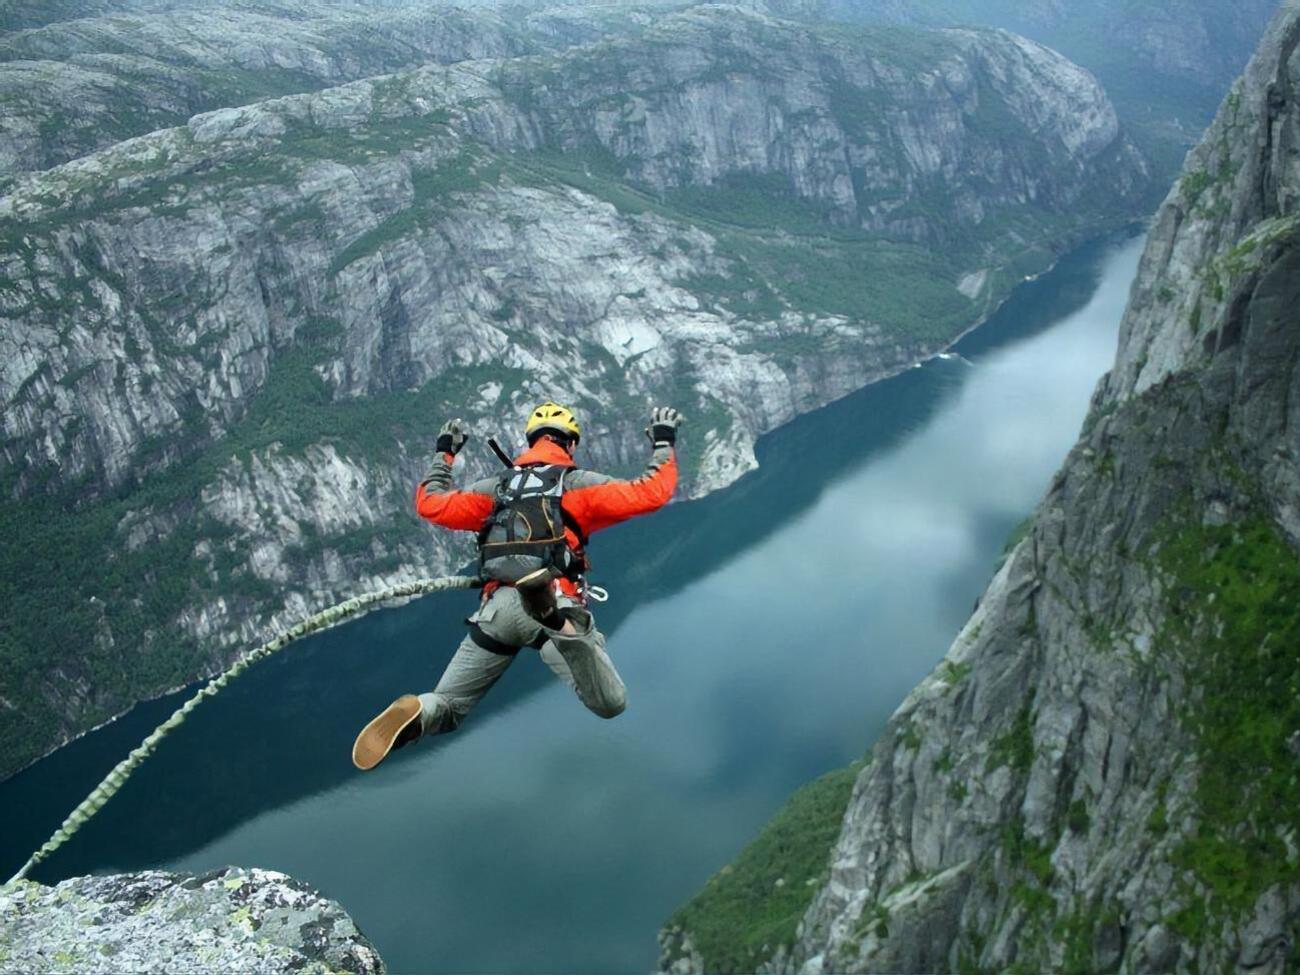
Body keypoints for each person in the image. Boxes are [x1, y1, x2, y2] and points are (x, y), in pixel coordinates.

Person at [352, 401, 682, 770]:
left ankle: (420, 714)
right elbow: (650, 493)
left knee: (449, 705)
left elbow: (430, 504)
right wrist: (663, 442)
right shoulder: (577, 486)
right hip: (555, 605)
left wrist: (444, 454)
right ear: (571, 444)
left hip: (497, 612)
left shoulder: (495, 490)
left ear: (530, 442)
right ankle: (550, 615)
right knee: (610, 702)